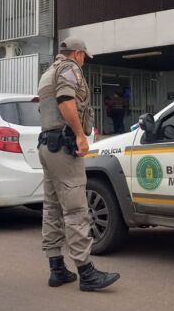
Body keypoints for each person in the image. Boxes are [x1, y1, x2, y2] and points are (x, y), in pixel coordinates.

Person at [36, 37, 120, 291]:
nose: (84, 61)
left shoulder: (47, 73)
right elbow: (65, 101)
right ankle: (86, 273)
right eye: (84, 56)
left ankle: (57, 269)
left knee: (52, 208)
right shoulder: (69, 68)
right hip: (64, 147)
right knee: (75, 209)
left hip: (47, 145)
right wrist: (80, 136)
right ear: (78, 54)